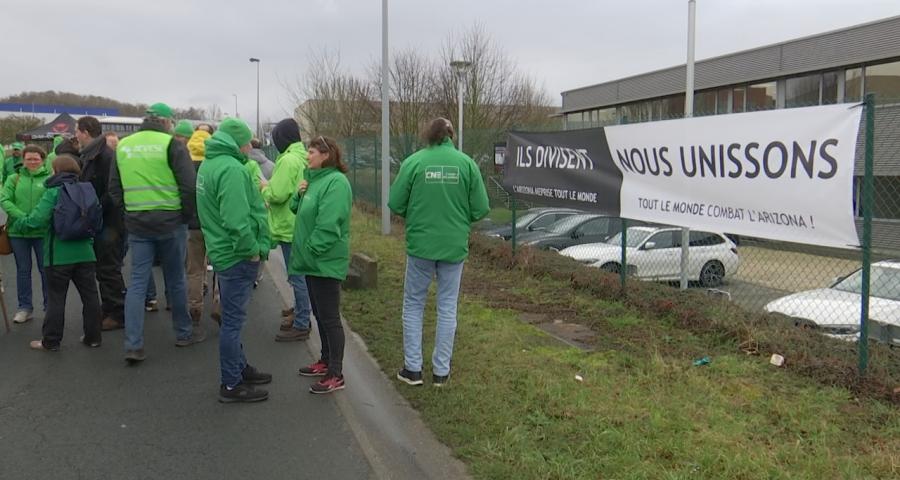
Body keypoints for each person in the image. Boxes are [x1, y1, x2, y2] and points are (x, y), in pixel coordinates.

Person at [389, 118, 490, 387]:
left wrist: (417, 215)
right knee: (447, 307)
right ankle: (441, 373)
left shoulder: (414, 162)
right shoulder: (467, 164)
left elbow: (395, 202)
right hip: (454, 247)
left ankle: (412, 369)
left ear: (428, 135)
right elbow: (481, 208)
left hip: (420, 246)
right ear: (451, 136)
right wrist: (458, 220)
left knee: (413, 305)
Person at [109, 102, 198, 363]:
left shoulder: (123, 146)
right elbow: (189, 187)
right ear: (167, 122)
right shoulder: (172, 145)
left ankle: (133, 345)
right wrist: (184, 216)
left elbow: (114, 188)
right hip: (170, 222)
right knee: (176, 279)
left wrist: (129, 212)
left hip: (137, 223)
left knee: (137, 282)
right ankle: (183, 333)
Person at [196, 117, 272, 403]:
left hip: (220, 250)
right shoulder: (231, 170)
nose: (249, 149)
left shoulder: (209, 164)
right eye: (248, 144)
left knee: (231, 317)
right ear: (239, 142)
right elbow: (236, 221)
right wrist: (252, 250)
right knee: (233, 322)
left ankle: (240, 368)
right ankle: (230, 384)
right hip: (237, 255)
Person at [14, 154, 102, 351]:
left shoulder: (53, 192)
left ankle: (51, 341)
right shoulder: (87, 189)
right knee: (90, 296)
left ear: (56, 170)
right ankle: (93, 336)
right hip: (86, 252)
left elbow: (36, 220)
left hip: (58, 254)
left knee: (56, 299)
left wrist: (18, 222)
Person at [293, 136, 352, 394]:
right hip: (310, 261)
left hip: (324, 260)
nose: (308, 155)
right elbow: (301, 212)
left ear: (326, 155)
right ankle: (325, 360)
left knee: (330, 318)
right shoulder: (314, 181)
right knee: (319, 314)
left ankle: (336, 373)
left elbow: (329, 224)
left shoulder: (336, 183)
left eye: (312, 151)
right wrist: (299, 194)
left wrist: (310, 249)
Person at [75, 116, 127, 331]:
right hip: (103, 221)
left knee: (108, 268)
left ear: (85, 132)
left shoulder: (104, 156)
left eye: (76, 131)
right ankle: (109, 308)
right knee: (104, 267)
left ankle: (117, 313)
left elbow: (111, 191)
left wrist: (92, 210)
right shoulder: (92, 154)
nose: (75, 135)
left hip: (109, 223)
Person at [264, 118, 312, 342]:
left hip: (288, 224)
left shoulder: (287, 161)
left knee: (296, 276)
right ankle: (298, 310)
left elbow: (278, 194)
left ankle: (302, 322)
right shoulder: (303, 156)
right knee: (299, 273)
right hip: (299, 223)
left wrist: (264, 189)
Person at [0, 145, 50, 323]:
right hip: (18, 232)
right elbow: (4, 199)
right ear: (23, 160)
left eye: (36, 158)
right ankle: (24, 308)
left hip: (42, 231)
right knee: (23, 271)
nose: (32, 162)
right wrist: (22, 217)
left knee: (46, 271)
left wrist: (34, 219)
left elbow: (52, 201)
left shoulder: (49, 178)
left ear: (43, 159)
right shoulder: (14, 178)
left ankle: (49, 308)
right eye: (29, 158)